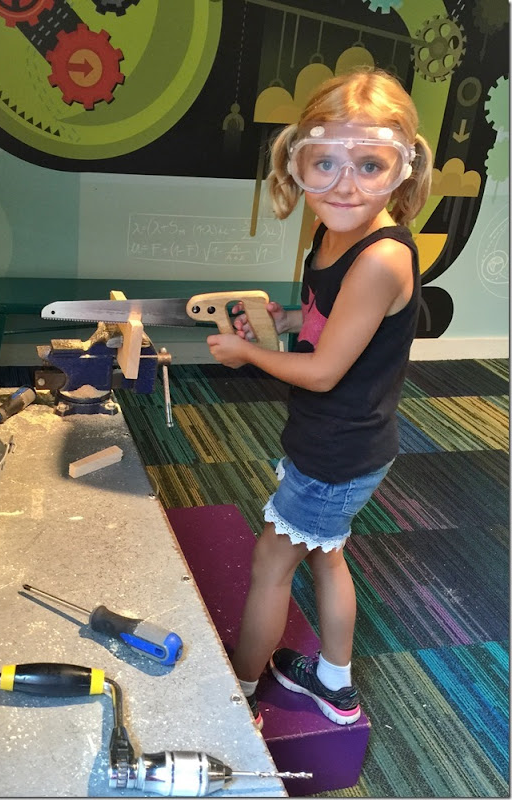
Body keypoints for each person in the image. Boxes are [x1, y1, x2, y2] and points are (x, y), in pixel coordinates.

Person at [206, 67, 433, 730]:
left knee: (270, 566)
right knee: (327, 554)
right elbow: (324, 320)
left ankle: (239, 694)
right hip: (342, 440)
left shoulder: (380, 258)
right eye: (325, 162)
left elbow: (325, 371)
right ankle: (335, 684)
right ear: (297, 161)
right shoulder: (332, 234)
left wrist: (248, 354)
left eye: (369, 165)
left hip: (338, 447)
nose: (343, 184)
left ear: (401, 171)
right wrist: (284, 321)